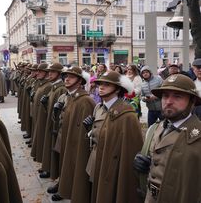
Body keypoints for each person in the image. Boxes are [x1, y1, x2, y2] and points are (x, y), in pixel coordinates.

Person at [138, 74, 201, 202]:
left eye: (177, 96)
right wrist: (144, 165)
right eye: (165, 96)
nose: (168, 101)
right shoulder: (154, 129)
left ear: (192, 101)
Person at [88, 71, 143, 203]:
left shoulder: (127, 114)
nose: (101, 87)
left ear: (118, 88)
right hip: (96, 161)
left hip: (112, 168)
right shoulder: (98, 108)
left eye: (107, 84)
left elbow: (131, 150)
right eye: (100, 84)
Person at [53, 66, 95, 202]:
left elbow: (86, 130)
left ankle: (76, 193)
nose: (67, 78)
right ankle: (64, 187)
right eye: (65, 76)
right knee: (66, 164)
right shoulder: (69, 96)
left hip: (77, 142)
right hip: (66, 137)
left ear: (80, 81)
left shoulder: (85, 100)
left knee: (76, 167)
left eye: (71, 76)